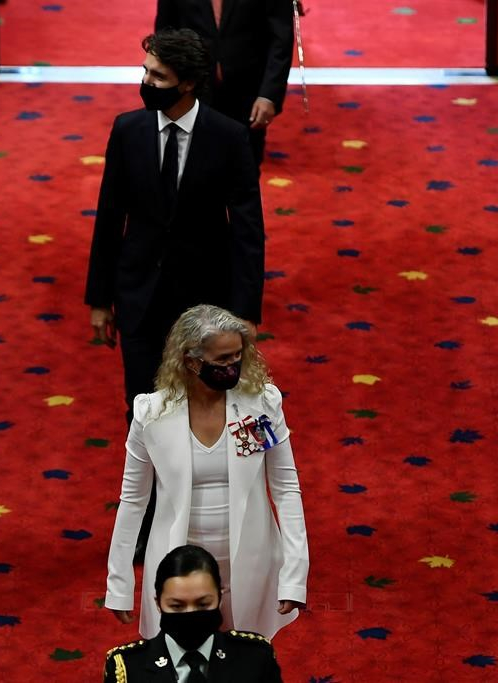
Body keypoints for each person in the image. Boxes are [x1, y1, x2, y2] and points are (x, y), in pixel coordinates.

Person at [86, 29, 265, 564]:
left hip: (204, 306)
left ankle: (205, 516)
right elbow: (109, 216)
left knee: (205, 408)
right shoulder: (128, 131)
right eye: (145, 72)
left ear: (188, 83)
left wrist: (242, 316)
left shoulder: (229, 138)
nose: (146, 83)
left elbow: (247, 229)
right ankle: (147, 524)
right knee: (142, 410)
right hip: (139, 294)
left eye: (158, 77)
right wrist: (100, 299)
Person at [105, 304, 308, 641]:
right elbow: (132, 501)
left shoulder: (263, 404)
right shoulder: (151, 414)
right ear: (191, 361)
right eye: (222, 360)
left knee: (244, 664)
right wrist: (119, 582)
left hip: (251, 561)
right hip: (179, 569)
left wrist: (295, 574)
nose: (233, 367)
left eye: (237, 357)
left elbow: (286, 489)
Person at [104, 544, 284, 682]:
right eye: (177, 606)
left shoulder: (254, 658)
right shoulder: (128, 670)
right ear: (158, 603)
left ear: (220, 599)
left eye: (203, 604)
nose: (190, 614)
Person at [154, 0, 294, 165]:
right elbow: (165, 33)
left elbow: (281, 39)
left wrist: (269, 95)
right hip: (191, 92)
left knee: (243, 173)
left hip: (247, 96)